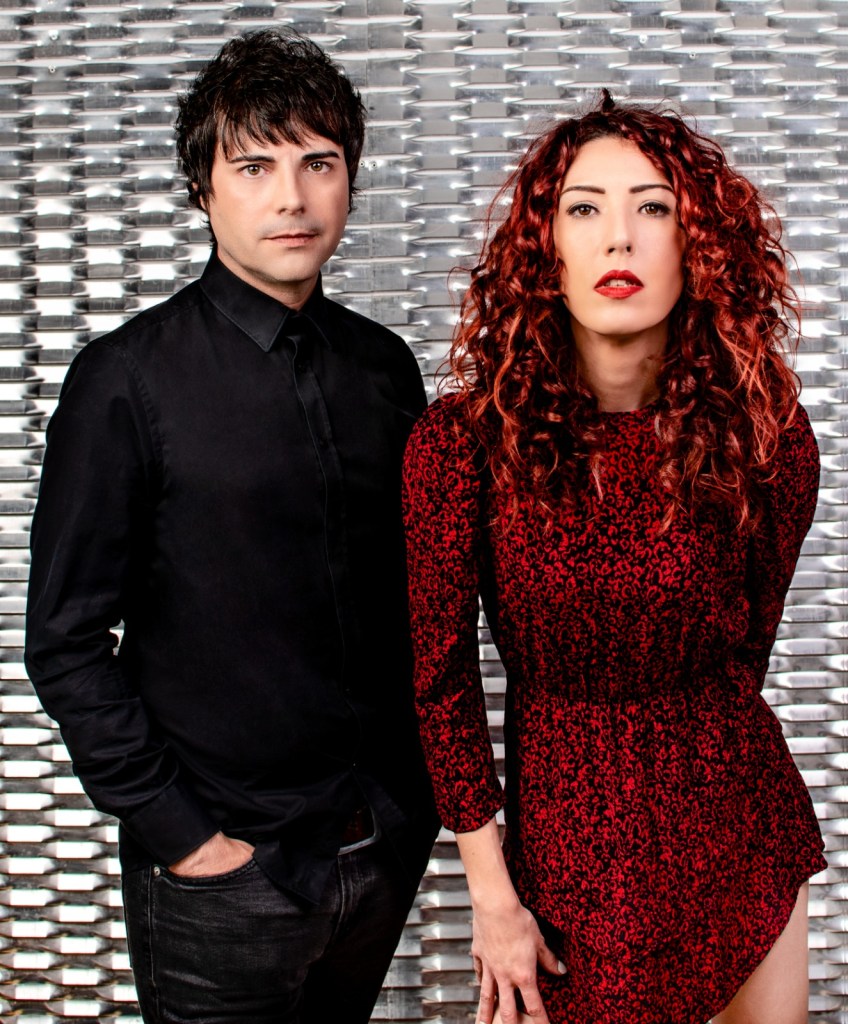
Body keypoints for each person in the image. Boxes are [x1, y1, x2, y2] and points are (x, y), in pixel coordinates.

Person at [25, 29, 437, 1024]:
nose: (292, 197)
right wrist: (185, 838)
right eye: (254, 167)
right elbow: (65, 641)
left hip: (377, 847)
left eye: (318, 164)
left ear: (349, 181)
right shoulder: (124, 380)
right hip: (222, 875)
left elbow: (416, 603)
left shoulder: (386, 370)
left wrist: (410, 808)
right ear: (202, 190)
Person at [402, 91, 826, 1024]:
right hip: (559, 868)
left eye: (654, 207)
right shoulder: (459, 446)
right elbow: (440, 685)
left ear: (698, 244)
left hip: (739, 838)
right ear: (544, 246)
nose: (619, 238)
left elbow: (745, 649)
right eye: (584, 208)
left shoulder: (768, 437)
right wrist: (492, 898)